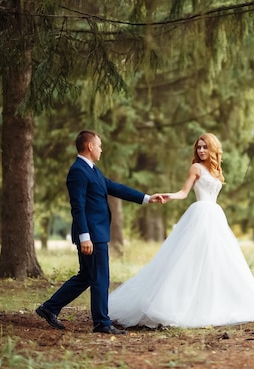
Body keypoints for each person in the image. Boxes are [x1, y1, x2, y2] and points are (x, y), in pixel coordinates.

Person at [108, 132, 254, 328]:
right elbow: (184, 192)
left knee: (217, 259)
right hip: (200, 214)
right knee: (190, 259)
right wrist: (170, 196)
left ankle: (216, 303)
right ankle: (175, 305)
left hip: (215, 216)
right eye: (198, 147)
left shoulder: (217, 171)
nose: (200, 150)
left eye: (204, 147)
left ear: (212, 148)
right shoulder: (196, 168)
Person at [36, 130, 164, 335]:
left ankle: (49, 308)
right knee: (101, 277)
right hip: (92, 235)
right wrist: (84, 236)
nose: (101, 149)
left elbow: (115, 187)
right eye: (99, 145)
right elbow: (77, 206)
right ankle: (102, 323)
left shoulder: (92, 170)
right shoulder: (78, 171)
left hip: (95, 233)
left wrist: (147, 198)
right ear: (89, 147)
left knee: (86, 276)